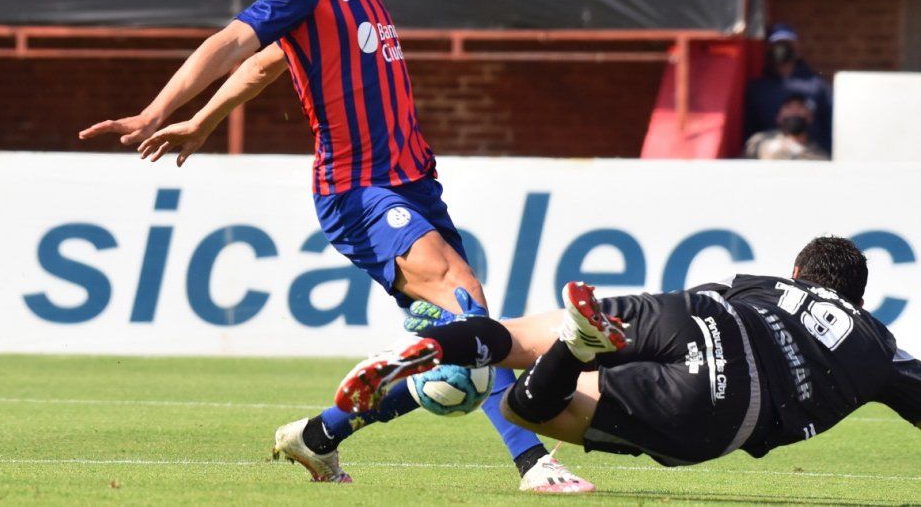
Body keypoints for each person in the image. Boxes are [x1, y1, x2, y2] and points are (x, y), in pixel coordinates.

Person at [78, 0, 590, 493]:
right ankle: (532, 463)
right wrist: (159, 111)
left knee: (461, 365)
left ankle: (318, 435)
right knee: (468, 306)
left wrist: (206, 120)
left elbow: (267, 66)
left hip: (413, 186)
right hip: (358, 190)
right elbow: (234, 43)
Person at [341, 236, 919, 479]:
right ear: (860, 298)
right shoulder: (879, 345)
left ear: (799, 273)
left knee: (512, 337)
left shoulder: (769, 283)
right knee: (525, 408)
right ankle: (574, 350)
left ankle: (435, 343)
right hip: (730, 404)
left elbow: (712, 297)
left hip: (697, 314)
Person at [745, 24, 833, 153]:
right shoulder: (758, 89)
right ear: (768, 48)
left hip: (810, 157)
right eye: (776, 44)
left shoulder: (817, 86)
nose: (781, 48)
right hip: (770, 157)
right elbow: (749, 129)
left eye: (787, 43)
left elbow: (829, 125)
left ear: (797, 47)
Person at [743, 93, 829, 160]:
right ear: (779, 117)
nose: (794, 111)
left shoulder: (819, 155)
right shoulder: (758, 142)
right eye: (788, 107)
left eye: (800, 106)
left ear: (810, 117)